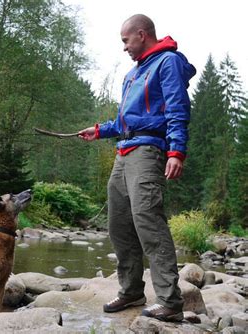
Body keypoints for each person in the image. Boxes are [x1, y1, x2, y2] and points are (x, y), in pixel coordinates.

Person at [78, 14, 196, 322]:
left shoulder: (167, 62)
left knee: (149, 223)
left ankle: (170, 301)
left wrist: (176, 151)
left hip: (148, 152)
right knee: (119, 224)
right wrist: (100, 130)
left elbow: (177, 107)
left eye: (126, 41)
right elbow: (122, 121)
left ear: (142, 35)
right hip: (123, 152)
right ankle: (131, 290)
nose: (124, 47)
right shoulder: (132, 74)